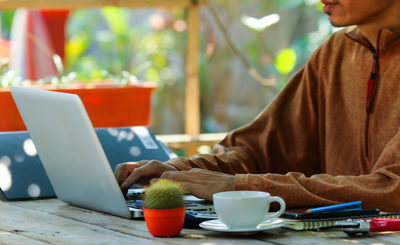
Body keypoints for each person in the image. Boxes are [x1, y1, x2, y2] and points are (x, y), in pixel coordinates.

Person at [115, 0, 400, 212]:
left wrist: (243, 187)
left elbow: (392, 188)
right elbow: (259, 151)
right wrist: (179, 169)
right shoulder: (335, 53)